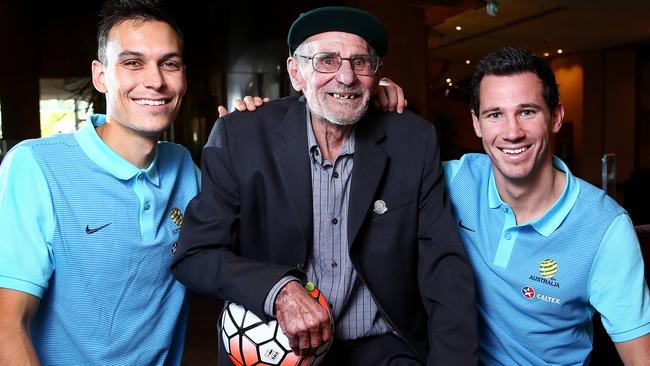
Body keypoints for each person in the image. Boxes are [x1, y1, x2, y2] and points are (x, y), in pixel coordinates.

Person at [0, 2, 405, 364]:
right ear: (101, 75)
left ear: (183, 78)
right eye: (132, 63)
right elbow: (6, 324)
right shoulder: (36, 166)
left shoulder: (186, 172)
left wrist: (357, 98)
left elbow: (239, 237)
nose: (154, 81)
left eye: (170, 64)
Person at [172, 6, 478, 366]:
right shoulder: (242, 136)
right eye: (326, 61)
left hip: (383, 348)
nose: (346, 77)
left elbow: (443, 268)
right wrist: (278, 289)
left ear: (376, 74)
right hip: (276, 351)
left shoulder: (412, 141)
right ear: (296, 73)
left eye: (360, 62)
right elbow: (195, 255)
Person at [443, 47, 650, 365]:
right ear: (477, 124)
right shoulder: (457, 180)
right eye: (495, 114)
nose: (512, 133)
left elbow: (641, 357)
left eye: (527, 111)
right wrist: (381, 92)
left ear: (555, 117)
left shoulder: (605, 228)